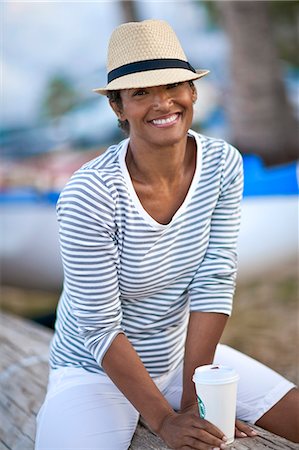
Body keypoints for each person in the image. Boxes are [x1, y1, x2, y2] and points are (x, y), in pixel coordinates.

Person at [35, 19, 299, 449]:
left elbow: (214, 278)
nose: (163, 103)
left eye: (173, 85)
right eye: (140, 92)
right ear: (118, 108)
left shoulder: (221, 164)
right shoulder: (90, 194)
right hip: (95, 372)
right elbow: (99, 327)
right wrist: (163, 419)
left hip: (181, 359)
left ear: (192, 92)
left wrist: (194, 398)